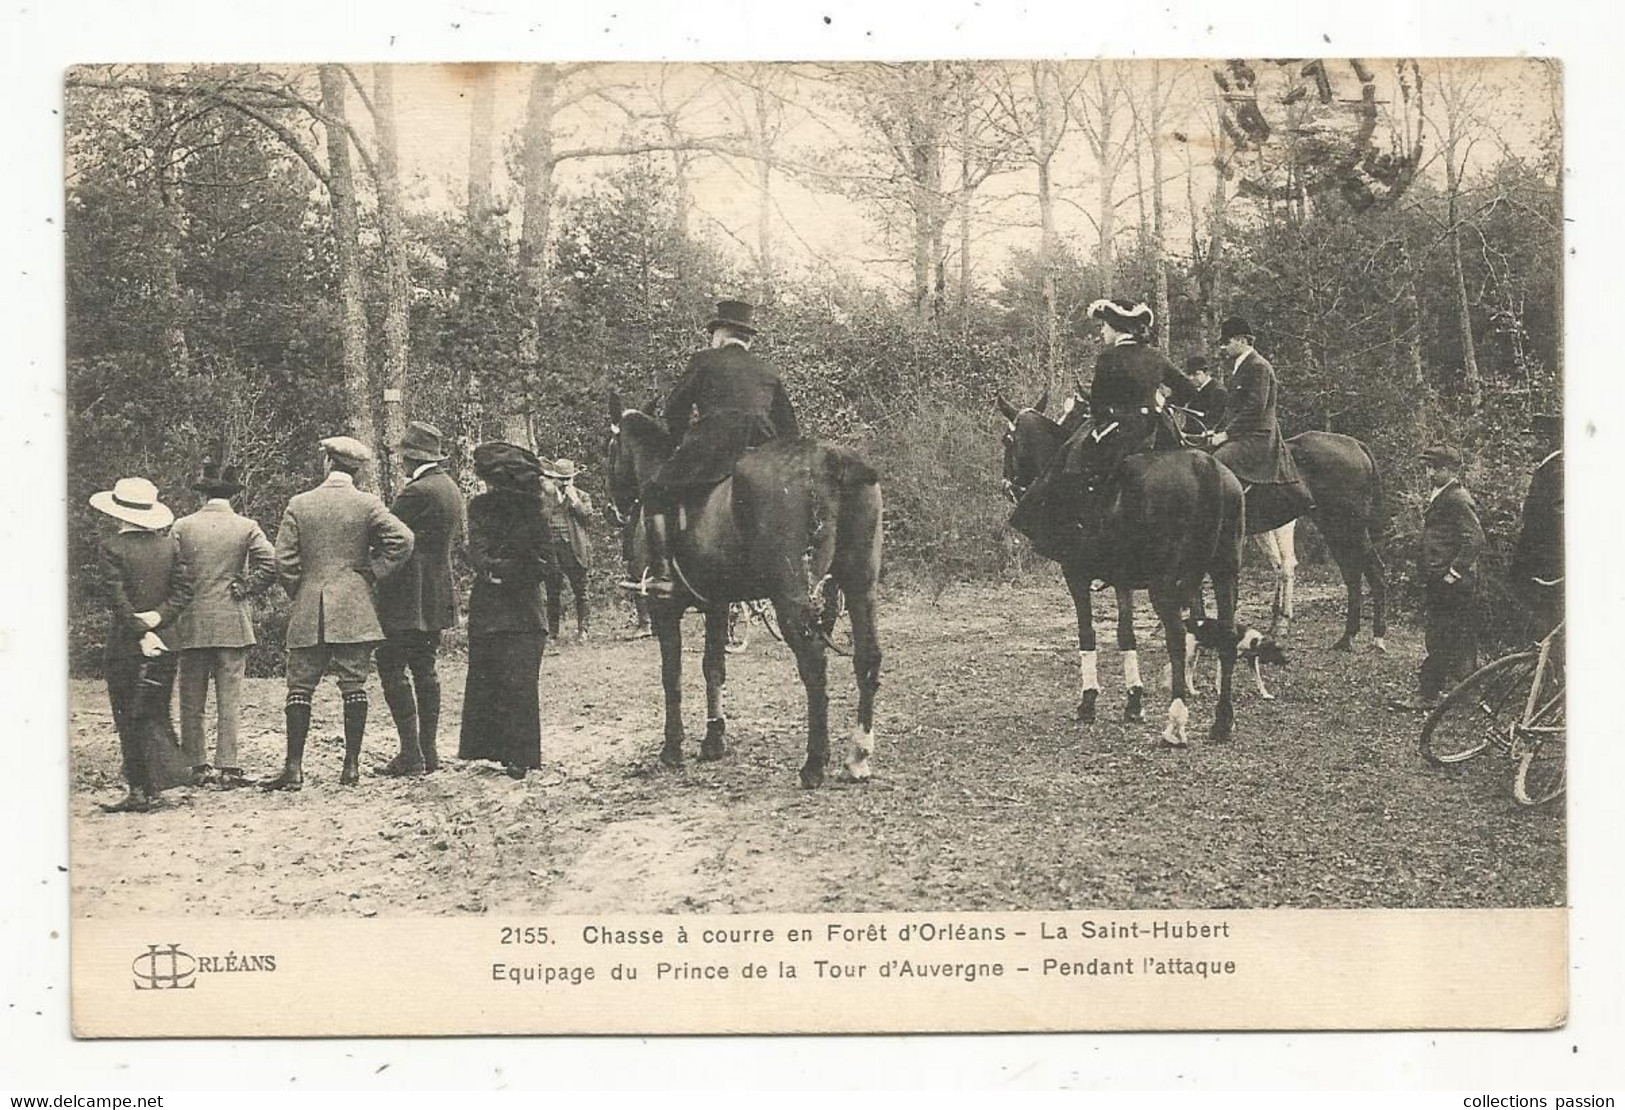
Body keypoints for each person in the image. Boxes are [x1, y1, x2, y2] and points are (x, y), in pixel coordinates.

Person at [263, 437, 414, 791]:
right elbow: (403, 539)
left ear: (327, 463)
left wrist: (300, 590)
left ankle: (294, 768)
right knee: (353, 685)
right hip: (354, 606)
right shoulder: (367, 504)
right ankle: (351, 768)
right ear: (355, 469)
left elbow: (282, 560)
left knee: (300, 686)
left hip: (309, 605)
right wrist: (374, 572)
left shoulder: (300, 504)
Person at [628, 299, 799, 598]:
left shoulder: (704, 360)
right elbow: (789, 426)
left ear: (721, 334)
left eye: (713, 333)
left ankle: (662, 574)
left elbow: (675, 410)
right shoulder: (768, 370)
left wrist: (679, 442)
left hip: (711, 448)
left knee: (654, 492)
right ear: (746, 337)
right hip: (763, 449)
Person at [89, 476, 194, 813]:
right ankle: (156, 787)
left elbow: (116, 599)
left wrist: (139, 630)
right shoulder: (169, 545)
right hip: (166, 642)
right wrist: (156, 621)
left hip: (126, 645)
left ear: (117, 512)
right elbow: (183, 592)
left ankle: (139, 790)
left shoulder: (111, 548)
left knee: (127, 715)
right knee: (156, 712)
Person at [170, 461, 276, 788]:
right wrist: (246, 586)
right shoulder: (246, 526)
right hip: (231, 620)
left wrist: (183, 593)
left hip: (191, 621)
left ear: (203, 493)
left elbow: (168, 568)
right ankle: (228, 767)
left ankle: (195, 766)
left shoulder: (182, 526)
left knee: (191, 698)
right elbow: (272, 563)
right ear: (232, 495)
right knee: (229, 699)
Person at [459, 442, 557, 779]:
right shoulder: (527, 511)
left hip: (502, 608)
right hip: (519, 609)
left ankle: (513, 754)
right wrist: (514, 570)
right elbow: (480, 554)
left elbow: (479, 555)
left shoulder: (491, 510)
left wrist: (499, 571)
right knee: (513, 682)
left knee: (506, 680)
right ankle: (515, 754)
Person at [375, 422, 464, 777]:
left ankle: (411, 753)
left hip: (407, 595)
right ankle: (428, 750)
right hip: (437, 590)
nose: (401, 463)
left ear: (413, 457)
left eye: (403, 457)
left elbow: (387, 533)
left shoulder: (416, 492)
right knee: (425, 667)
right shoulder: (449, 487)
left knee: (391, 664)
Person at [1393, 446, 1486, 711]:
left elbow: (1475, 539)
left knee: (1440, 637)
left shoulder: (1457, 498)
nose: (1429, 472)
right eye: (1427, 466)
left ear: (1450, 470)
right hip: (1443, 580)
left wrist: (1453, 572)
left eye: (1435, 467)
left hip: (1452, 583)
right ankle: (1468, 692)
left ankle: (1428, 694)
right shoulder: (1444, 495)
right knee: (1457, 636)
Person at [1207, 317, 1315, 524]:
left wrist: (1226, 434)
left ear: (1242, 341)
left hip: (1258, 437)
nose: (1224, 347)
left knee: (1218, 462)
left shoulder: (1258, 366)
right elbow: (1234, 409)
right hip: (1244, 434)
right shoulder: (1242, 366)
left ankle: (1230, 517)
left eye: (1227, 342)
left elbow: (1255, 408)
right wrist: (1214, 431)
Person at [1510, 412, 1563, 639]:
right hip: (1539, 570)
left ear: (1546, 440)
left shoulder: (1558, 472)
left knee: (1547, 630)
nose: (1526, 447)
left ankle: (1546, 672)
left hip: (1548, 573)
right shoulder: (1547, 470)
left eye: (1530, 440)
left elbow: (1558, 525)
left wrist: (1544, 568)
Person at [541, 457, 595, 645]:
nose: (565, 483)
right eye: (561, 480)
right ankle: (553, 633)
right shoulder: (546, 497)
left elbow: (588, 519)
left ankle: (583, 630)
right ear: (554, 479)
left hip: (574, 550)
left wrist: (574, 501)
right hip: (552, 550)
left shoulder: (582, 496)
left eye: (568, 479)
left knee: (581, 590)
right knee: (552, 591)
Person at [1172, 353, 1229, 432]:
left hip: (1207, 436)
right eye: (1189, 374)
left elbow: (1215, 422)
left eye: (1196, 374)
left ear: (1206, 373)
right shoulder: (1193, 388)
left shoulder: (1218, 392)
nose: (1191, 378)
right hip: (1191, 434)